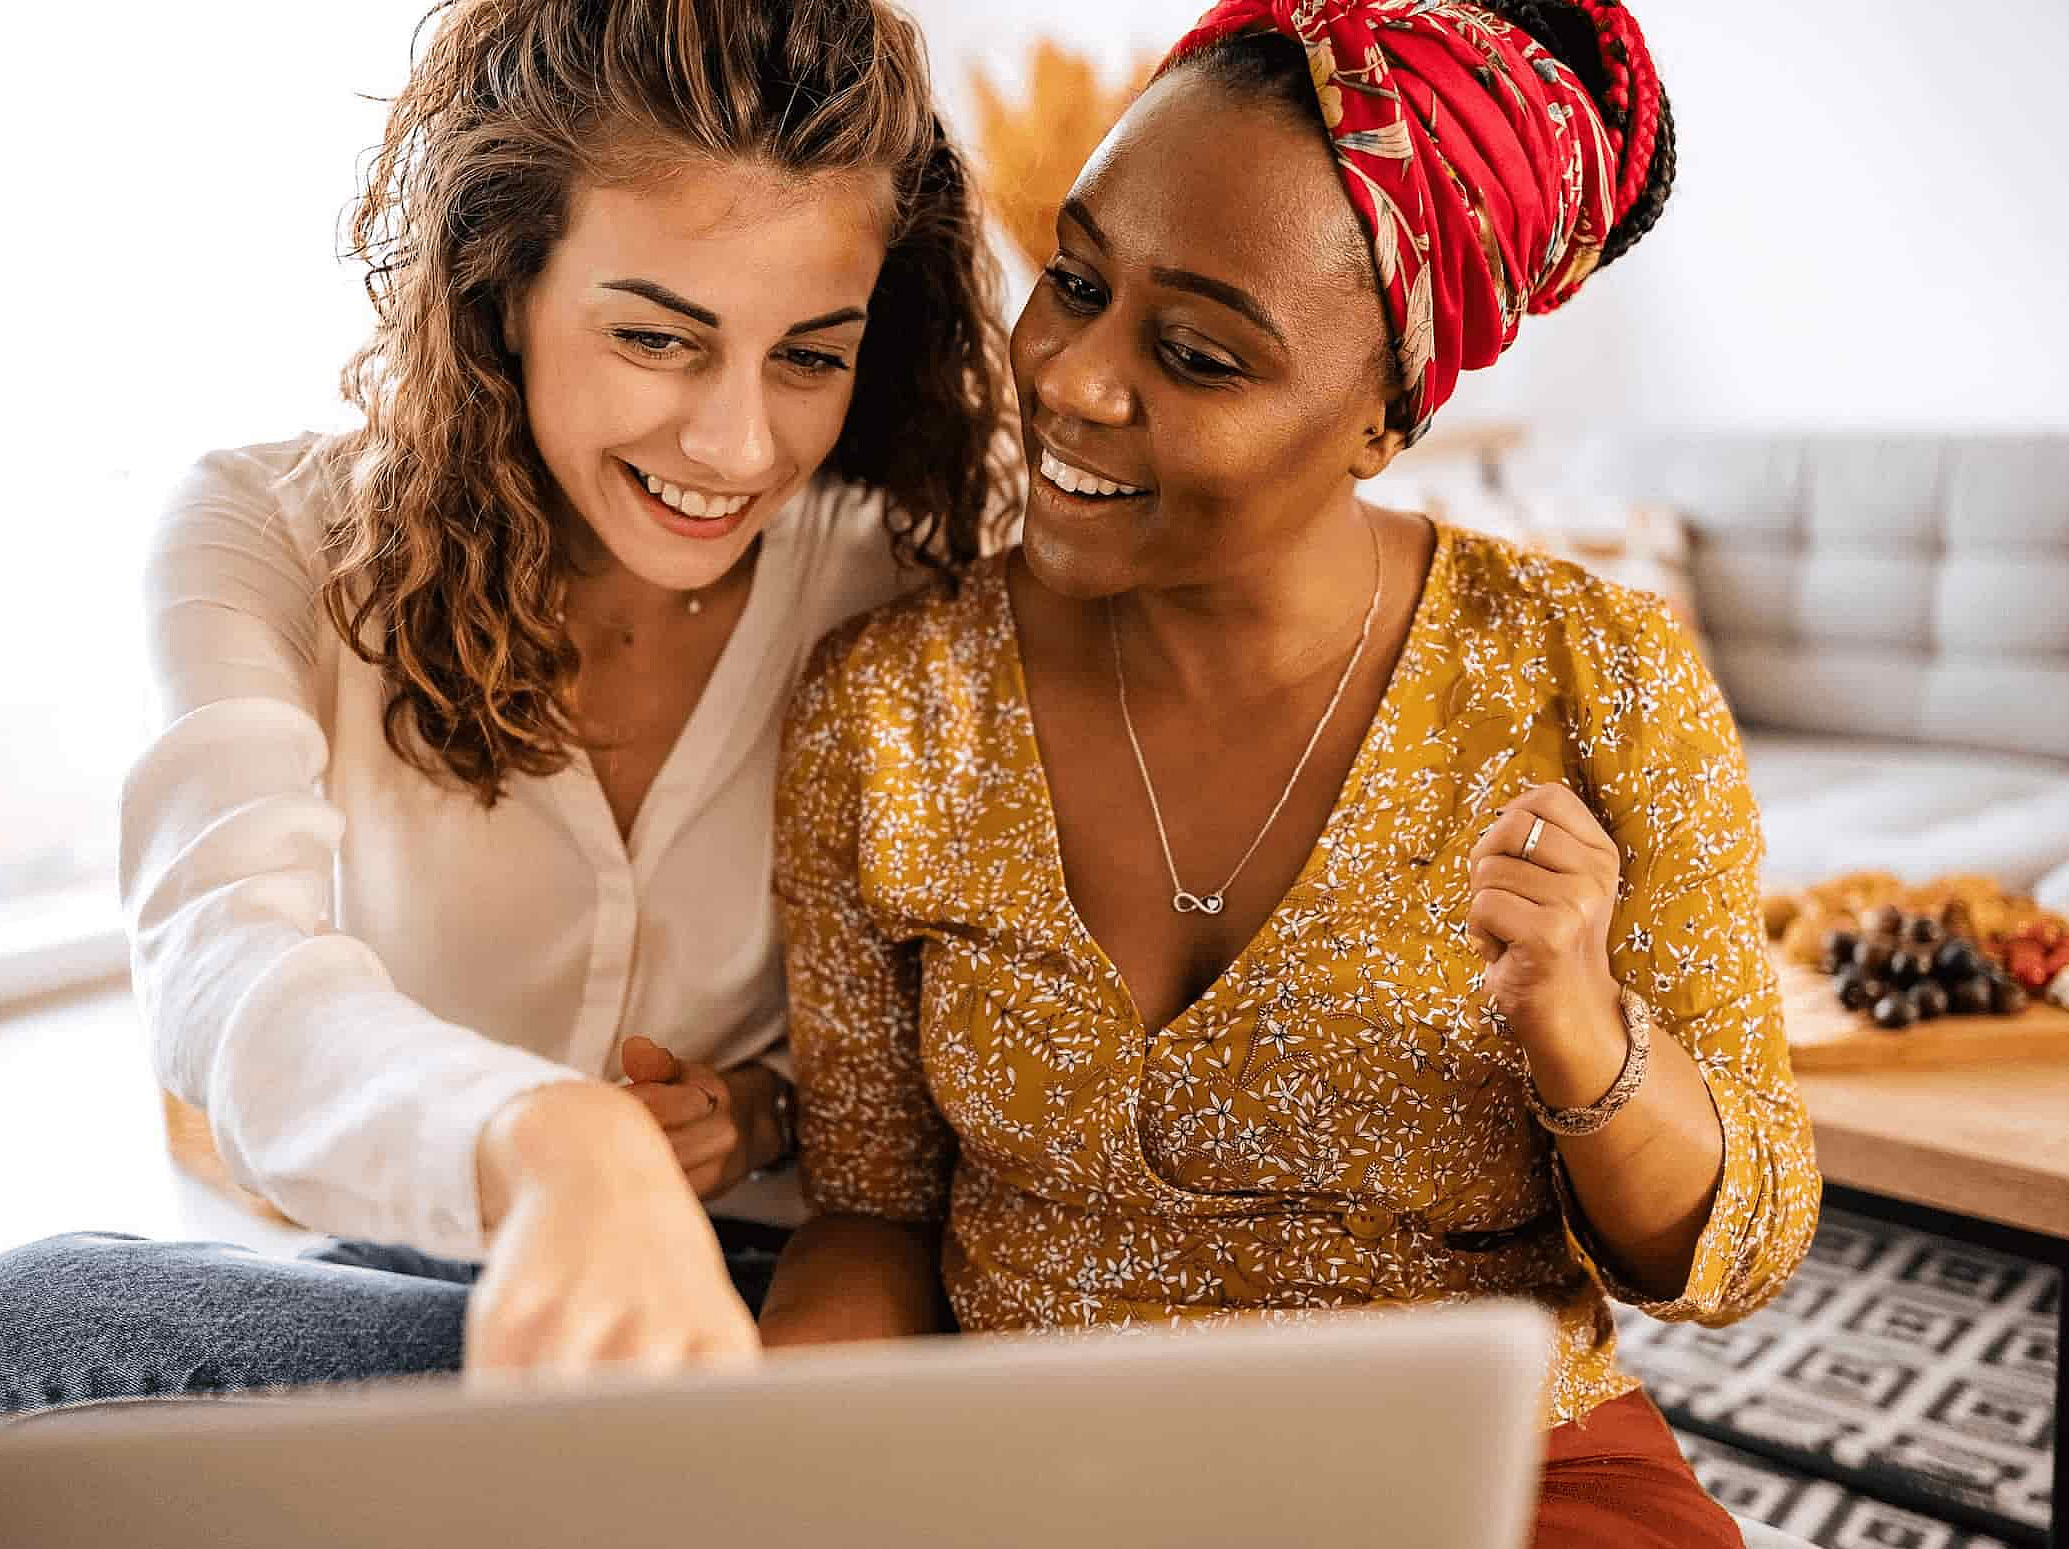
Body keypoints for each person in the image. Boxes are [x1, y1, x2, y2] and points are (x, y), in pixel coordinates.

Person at [757, 2, 1818, 1544]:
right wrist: (776, 1460)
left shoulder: (1599, 680)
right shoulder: (890, 705)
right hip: (1042, 1472)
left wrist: (1582, 1034)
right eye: (1071, 280)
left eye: (1194, 352)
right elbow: (869, 1211)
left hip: (1484, 1469)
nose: (1068, 379)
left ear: (1386, 416)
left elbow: (1734, 1249)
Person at [0, 0, 1010, 1413]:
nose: (736, 443)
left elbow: (946, 1072)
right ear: (500, 287)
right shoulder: (261, 536)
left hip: (790, 1303)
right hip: (420, 1288)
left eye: (807, 355)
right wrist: (551, 1142)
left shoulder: (900, 575)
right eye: (658, 340)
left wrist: (764, 1109)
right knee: (34, 1312)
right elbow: (228, 982)